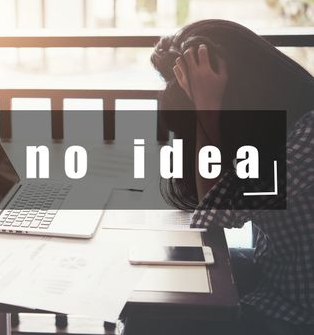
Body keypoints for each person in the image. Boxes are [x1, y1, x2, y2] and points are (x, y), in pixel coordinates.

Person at [124, 19, 314, 335]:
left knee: (151, 321)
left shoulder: (307, 137)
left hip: (297, 311)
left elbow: (213, 213)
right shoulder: (277, 129)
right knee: (153, 284)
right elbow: (210, 203)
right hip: (273, 273)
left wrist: (207, 107)